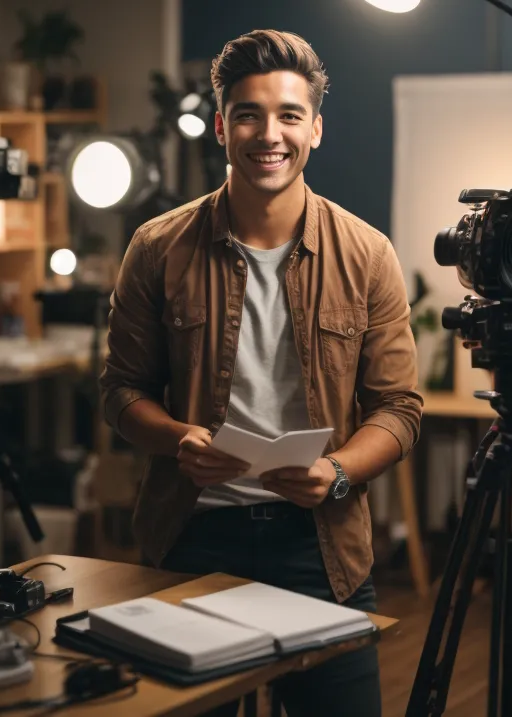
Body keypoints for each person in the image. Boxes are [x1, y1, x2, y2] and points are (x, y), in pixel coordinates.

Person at [100, 29, 423, 717]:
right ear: (221, 126)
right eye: (247, 113)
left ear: (316, 129)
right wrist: (178, 437)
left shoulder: (367, 254)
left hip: (322, 545)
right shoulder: (156, 247)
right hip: (192, 540)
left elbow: (399, 408)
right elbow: (119, 391)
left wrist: (335, 471)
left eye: (288, 115)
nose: (267, 133)